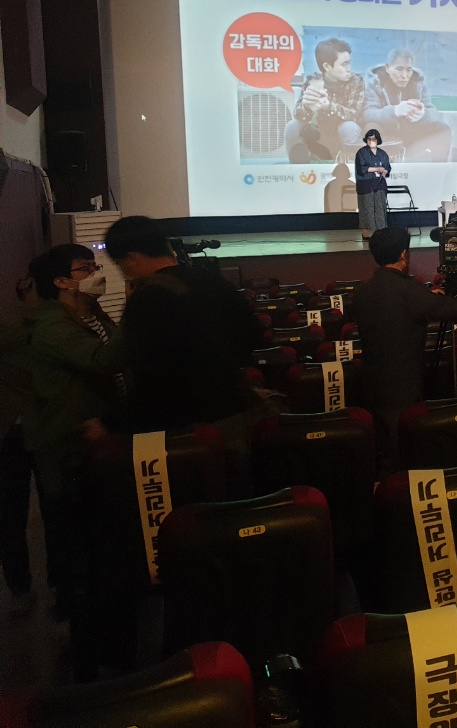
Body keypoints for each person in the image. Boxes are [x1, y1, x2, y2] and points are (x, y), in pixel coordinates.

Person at [25, 245, 123, 653]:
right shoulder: (52, 327)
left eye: (95, 265)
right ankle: (84, 647)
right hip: (67, 446)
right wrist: (140, 316)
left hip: (95, 442)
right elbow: (103, 359)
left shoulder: (89, 312)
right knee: (74, 543)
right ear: (61, 281)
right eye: (85, 268)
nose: (96, 273)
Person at [104, 216, 261, 442]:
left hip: (181, 427)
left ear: (132, 258)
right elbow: (252, 335)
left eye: (119, 265)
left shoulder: (148, 299)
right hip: (233, 410)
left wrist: (113, 424)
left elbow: (148, 373)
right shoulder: (214, 281)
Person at [350, 227, 457, 474]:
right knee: (403, 453)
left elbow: (391, 310)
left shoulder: (363, 292)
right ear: (404, 255)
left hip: (372, 386)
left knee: (385, 448)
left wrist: (425, 297)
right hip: (403, 391)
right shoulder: (410, 292)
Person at [0, 273, 40, 615]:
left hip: (31, 427)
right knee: (12, 516)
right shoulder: (23, 327)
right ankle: (23, 586)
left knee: (12, 516)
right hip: (18, 430)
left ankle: (22, 587)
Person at [285, 38, 366, 163]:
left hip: (346, 136)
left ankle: (349, 170)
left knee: (349, 126)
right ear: (327, 66)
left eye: (349, 63)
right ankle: (298, 171)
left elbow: (354, 114)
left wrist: (328, 106)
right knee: (293, 126)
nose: (349, 68)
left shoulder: (356, 81)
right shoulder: (313, 80)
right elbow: (298, 115)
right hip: (319, 136)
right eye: (344, 64)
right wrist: (307, 106)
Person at [363, 48, 451, 162]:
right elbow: (367, 114)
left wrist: (423, 115)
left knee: (442, 129)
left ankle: (439, 169)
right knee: (371, 129)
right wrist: (395, 111)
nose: (404, 75)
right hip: (387, 137)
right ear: (388, 68)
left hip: (412, 135)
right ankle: (377, 169)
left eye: (409, 70)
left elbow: (434, 113)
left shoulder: (418, 83)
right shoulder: (375, 83)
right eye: (399, 69)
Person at [354, 128, 391, 238]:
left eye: (373, 139)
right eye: (369, 139)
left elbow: (388, 168)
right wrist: (377, 169)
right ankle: (367, 234)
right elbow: (362, 168)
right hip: (366, 185)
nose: (371, 141)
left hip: (379, 184)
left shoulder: (382, 154)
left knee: (380, 208)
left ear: (378, 140)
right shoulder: (362, 152)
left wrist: (384, 171)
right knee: (367, 209)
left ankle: (381, 232)